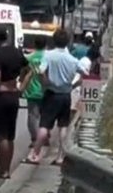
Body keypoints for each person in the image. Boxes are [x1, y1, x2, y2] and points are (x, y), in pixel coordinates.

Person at [26, 28, 91, 166]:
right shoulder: (72, 60)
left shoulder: (49, 55)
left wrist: (45, 82)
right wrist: (74, 84)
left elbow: (40, 71)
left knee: (44, 126)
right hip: (65, 95)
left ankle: (35, 154)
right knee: (63, 126)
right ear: (67, 42)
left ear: (54, 40)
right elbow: (85, 72)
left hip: (51, 94)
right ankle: (60, 157)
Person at [0, 26, 30, 179]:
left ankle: (1, 170)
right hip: (13, 95)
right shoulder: (16, 52)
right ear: (7, 36)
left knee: (1, 135)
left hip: (1, 96)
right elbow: (29, 70)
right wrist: (22, 87)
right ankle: (7, 169)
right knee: (10, 136)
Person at [22, 36, 47, 148]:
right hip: (46, 90)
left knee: (32, 116)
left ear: (35, 44)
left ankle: (34, 139)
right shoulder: (48, 57)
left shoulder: (28, 58)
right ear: (45, 45)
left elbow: (23, 73)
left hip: (32, 90)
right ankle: (44, 137)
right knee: (45, 116)